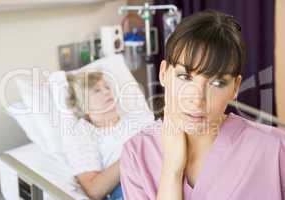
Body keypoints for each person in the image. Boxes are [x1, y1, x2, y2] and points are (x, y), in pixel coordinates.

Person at [120, 10, 285, 200]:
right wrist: (172, 170)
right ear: (164, 73)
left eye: (217, 83)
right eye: (185, 77)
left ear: (235, 87)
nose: (197, 99)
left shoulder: (275, 149)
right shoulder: (136, 154)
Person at [62, 71, 154, 200]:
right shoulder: (84, 133)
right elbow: (94, 190)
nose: (106, 92)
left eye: (107, 87)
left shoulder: (136, 118)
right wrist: (133, 154)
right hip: (128, 188)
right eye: (97, 90)